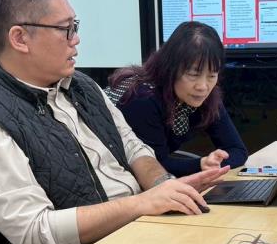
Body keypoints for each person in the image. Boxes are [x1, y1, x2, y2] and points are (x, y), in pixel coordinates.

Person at [0, 0, 227, 244]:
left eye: (74, 26)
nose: (76, 39)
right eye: (65, 29)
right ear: (20, 38)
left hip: (141, 237)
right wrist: (141, 204)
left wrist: (166, 186)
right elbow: (37, 233)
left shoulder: (82, 86)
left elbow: (133, 148)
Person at [106, 21, 248, 176]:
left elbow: (237, 150)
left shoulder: (205, 94)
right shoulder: (141, 98)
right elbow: (152, 167)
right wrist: (201, 164)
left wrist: (213, 163)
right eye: (193, 75)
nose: (203, 86)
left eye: (212, 75)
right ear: (170, 69)